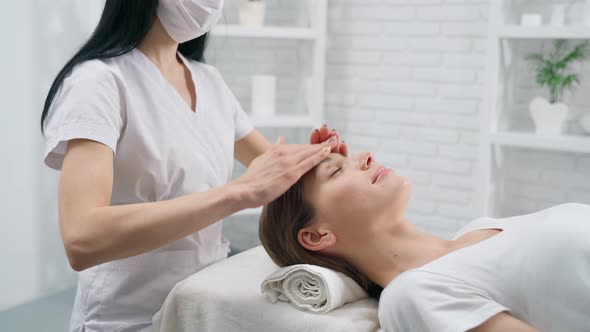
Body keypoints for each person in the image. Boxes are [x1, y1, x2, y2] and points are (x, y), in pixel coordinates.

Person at [40, 1, 347, 331]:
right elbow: (82, 239)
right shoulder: (99, 82)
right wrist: (238, 192)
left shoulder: (208, 81)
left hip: (200, 310)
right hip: (125, 318)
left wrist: (320, 163)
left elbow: (271, 166)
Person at [259, 151, 590, 332]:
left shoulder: (481, 226)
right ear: (317, 236)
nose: (366, 156)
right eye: (336, 171)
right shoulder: (414, 294)